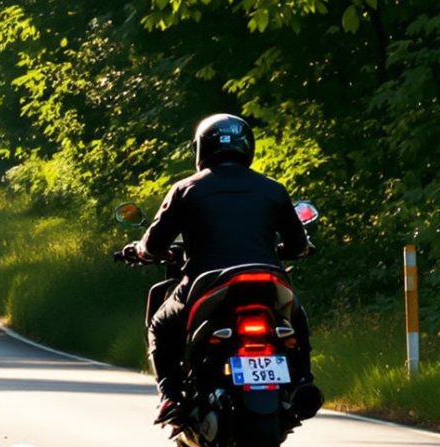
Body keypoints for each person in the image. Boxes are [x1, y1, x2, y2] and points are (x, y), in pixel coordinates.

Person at [128, 113, 314, 424]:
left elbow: (154, 244)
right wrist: (294, 249)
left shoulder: (186, 188)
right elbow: (297, 245)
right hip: (268, 279)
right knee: (297, 316)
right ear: (247, 148)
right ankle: (304, 382)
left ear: (201, 148)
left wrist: (140, 251)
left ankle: (170, 394)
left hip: (209, 283)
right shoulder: (273, 189)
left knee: (160, 326)